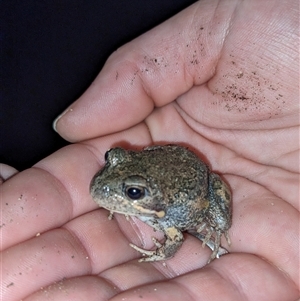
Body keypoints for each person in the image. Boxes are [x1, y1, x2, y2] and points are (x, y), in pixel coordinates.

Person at [1, 0, 299, 300]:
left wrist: (159, 254)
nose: (104, 179)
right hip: (169, 162)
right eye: (112, 160)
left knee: (221, 219)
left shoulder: (166, 217)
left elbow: (173, 242)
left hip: (197, 184)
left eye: (133, 193)